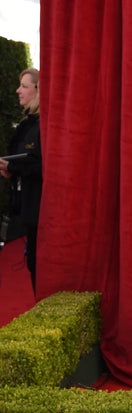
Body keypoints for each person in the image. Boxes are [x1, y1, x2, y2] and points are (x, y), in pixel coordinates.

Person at [0, 68, 42, 291]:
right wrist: (11, 168)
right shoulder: (28, 125)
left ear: (38, 90)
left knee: (38, 264)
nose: (18, 90)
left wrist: (13, 166)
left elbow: (43, 165)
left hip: (39, 212)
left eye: (24, 86)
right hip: (26, 210)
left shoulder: (43, 126)